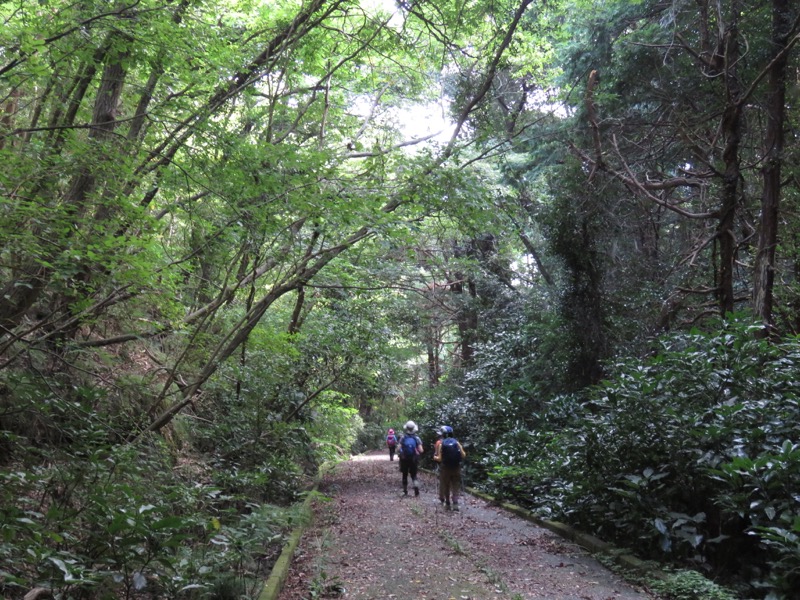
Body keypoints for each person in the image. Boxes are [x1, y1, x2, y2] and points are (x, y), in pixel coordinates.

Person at [433, 425, 465, 511]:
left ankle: (447, 504)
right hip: (456, 467)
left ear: (443, 434)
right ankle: (455, 503)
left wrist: (434, 457)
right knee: (455, 485)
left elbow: (439, 458)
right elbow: (463, 455)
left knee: (446, 485)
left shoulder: (441, 444)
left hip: (445, 468)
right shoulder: (457, 442)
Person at [396, 420, 423, 496]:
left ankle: (405, 491)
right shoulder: (417, 438)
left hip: (404, 459)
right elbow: (421, 450)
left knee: (404, 474)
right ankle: (416, 490)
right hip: (414, 459)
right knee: (414, 475)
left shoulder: (403, 438)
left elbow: (398, 449)